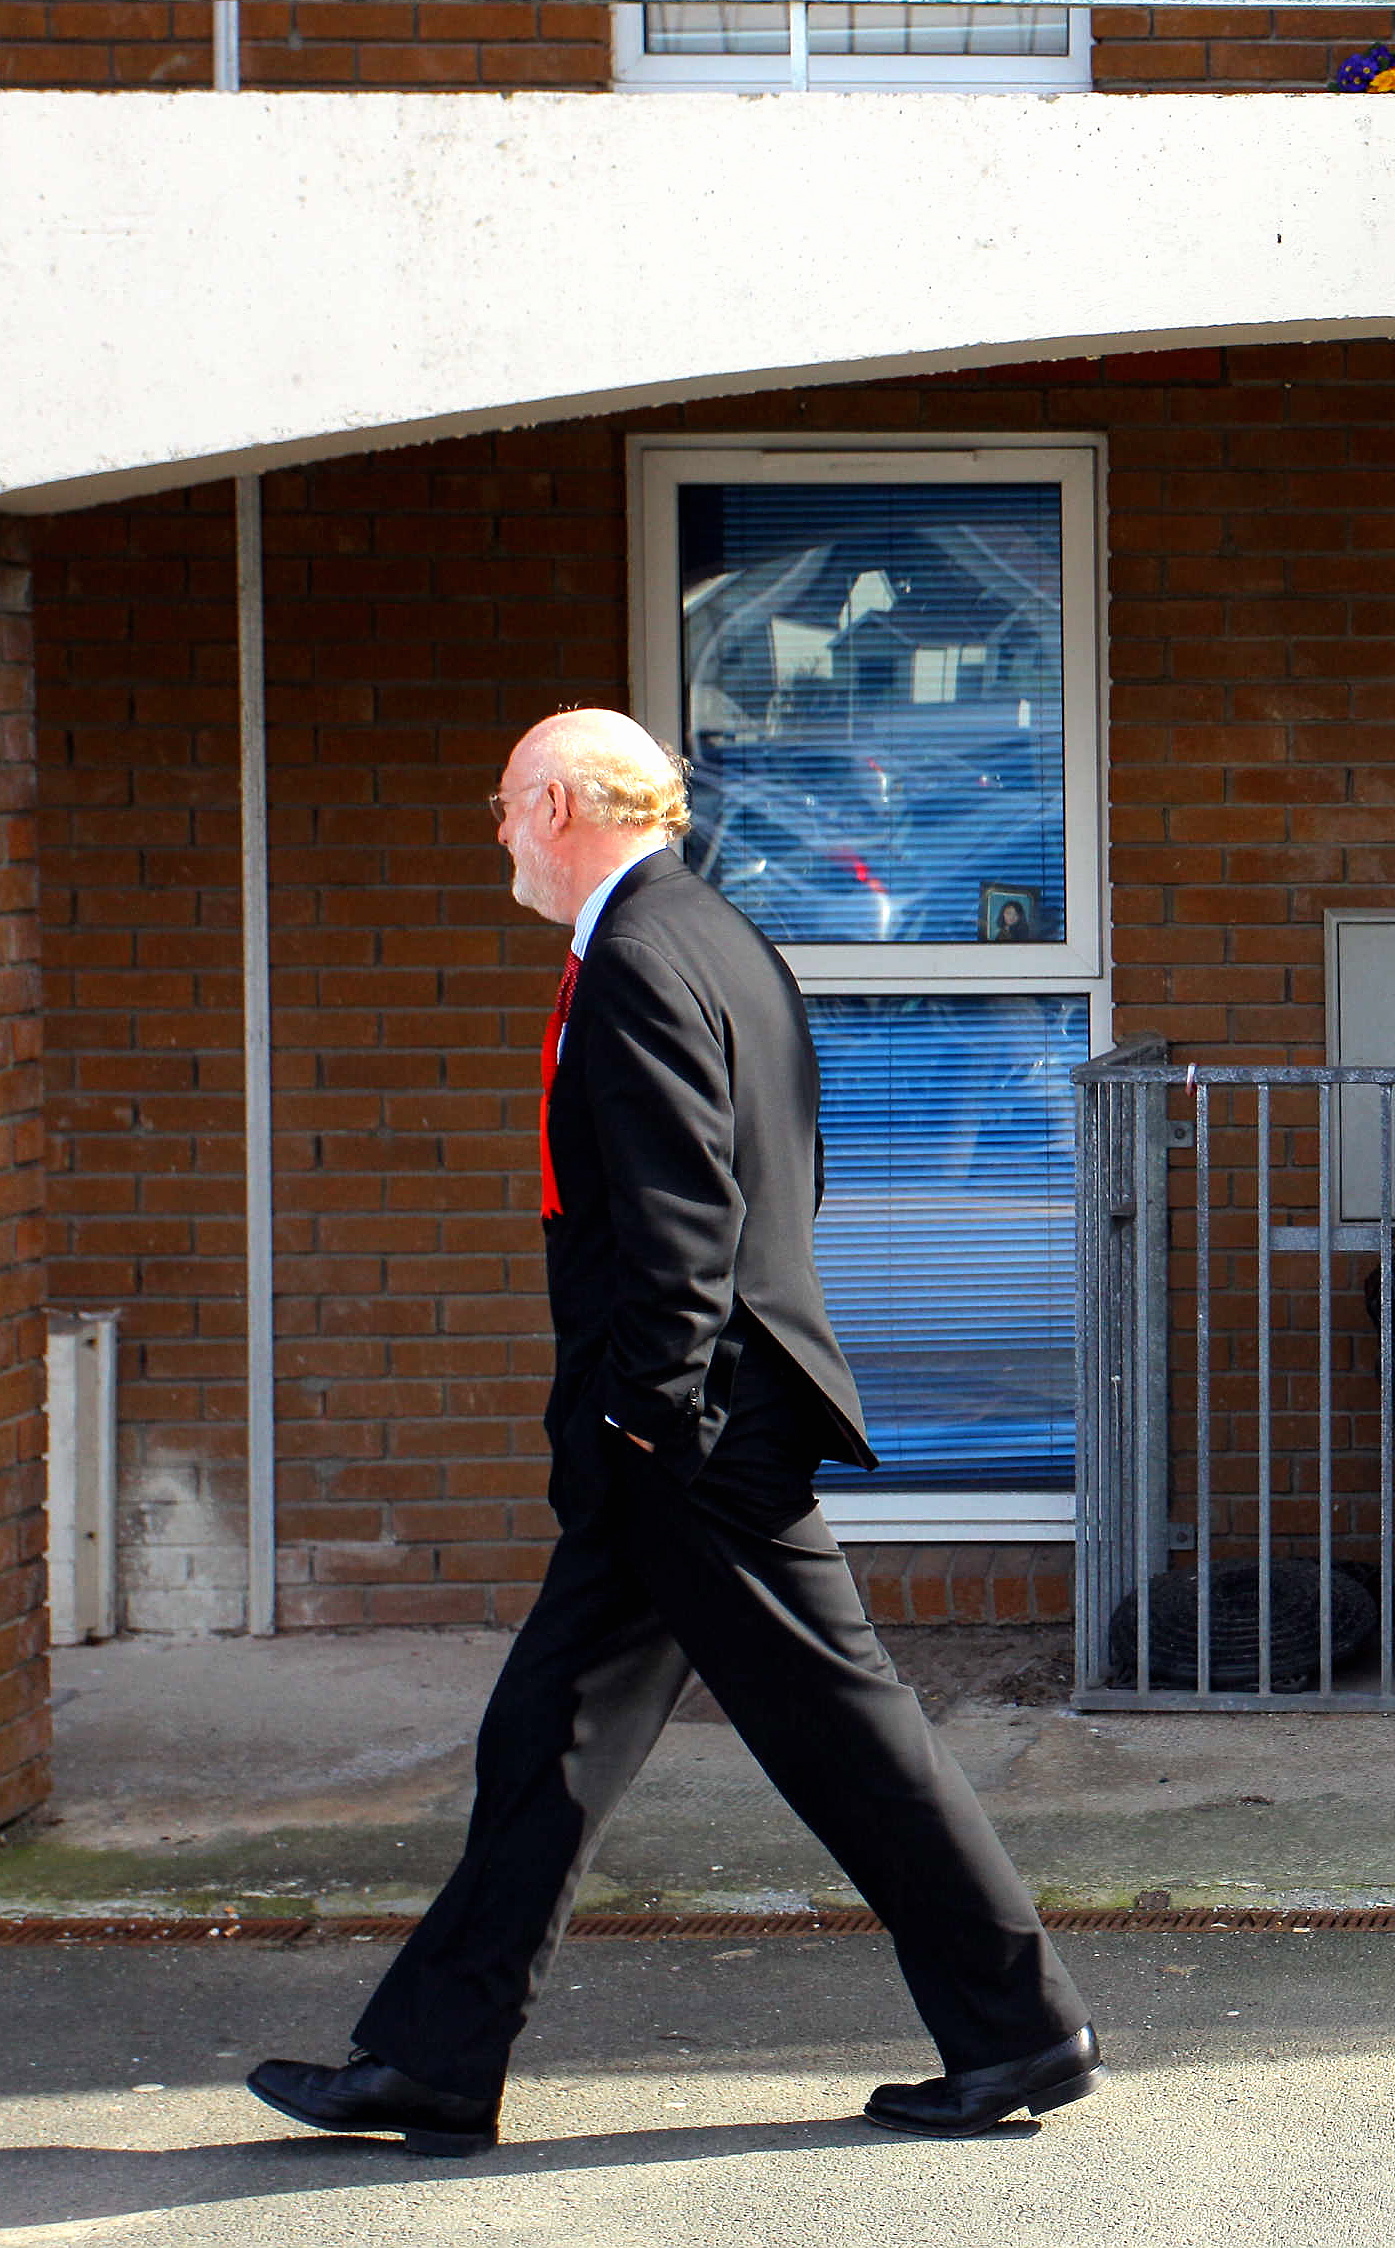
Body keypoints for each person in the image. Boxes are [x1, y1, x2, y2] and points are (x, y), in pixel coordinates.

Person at [246, 710, 1099, 2156]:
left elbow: (685, 1219)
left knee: (849, 1737)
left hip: (688, 1437)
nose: (500, 834)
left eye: (510, 806)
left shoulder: (638, 956)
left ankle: (1021, 2026)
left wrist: (648, 1418)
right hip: (695, 1424)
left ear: (567, 801)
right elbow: (793, 1166)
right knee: (548, 1734)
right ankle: (435, 2060)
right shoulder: (717, 933)